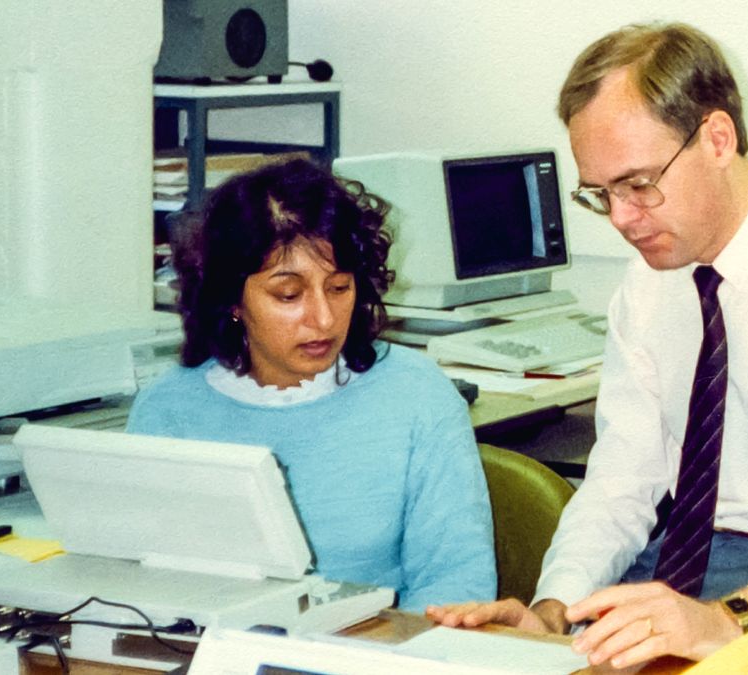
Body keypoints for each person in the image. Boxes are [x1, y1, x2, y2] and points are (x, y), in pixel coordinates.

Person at [427, 22, 748, 673]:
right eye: (601, 193)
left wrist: (732, 618)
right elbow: (620, 482)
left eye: (639, 184)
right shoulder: (647, 286)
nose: (620, 218)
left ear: (718, 139)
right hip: (673, 574)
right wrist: (555, 611)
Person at [128, 158, 497, 611]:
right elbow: (141, 583)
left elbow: (457, 587)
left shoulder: (417, 396)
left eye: (340, 288)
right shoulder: (168, 410)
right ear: (231, 299)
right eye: (288, 295)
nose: (322, 319)